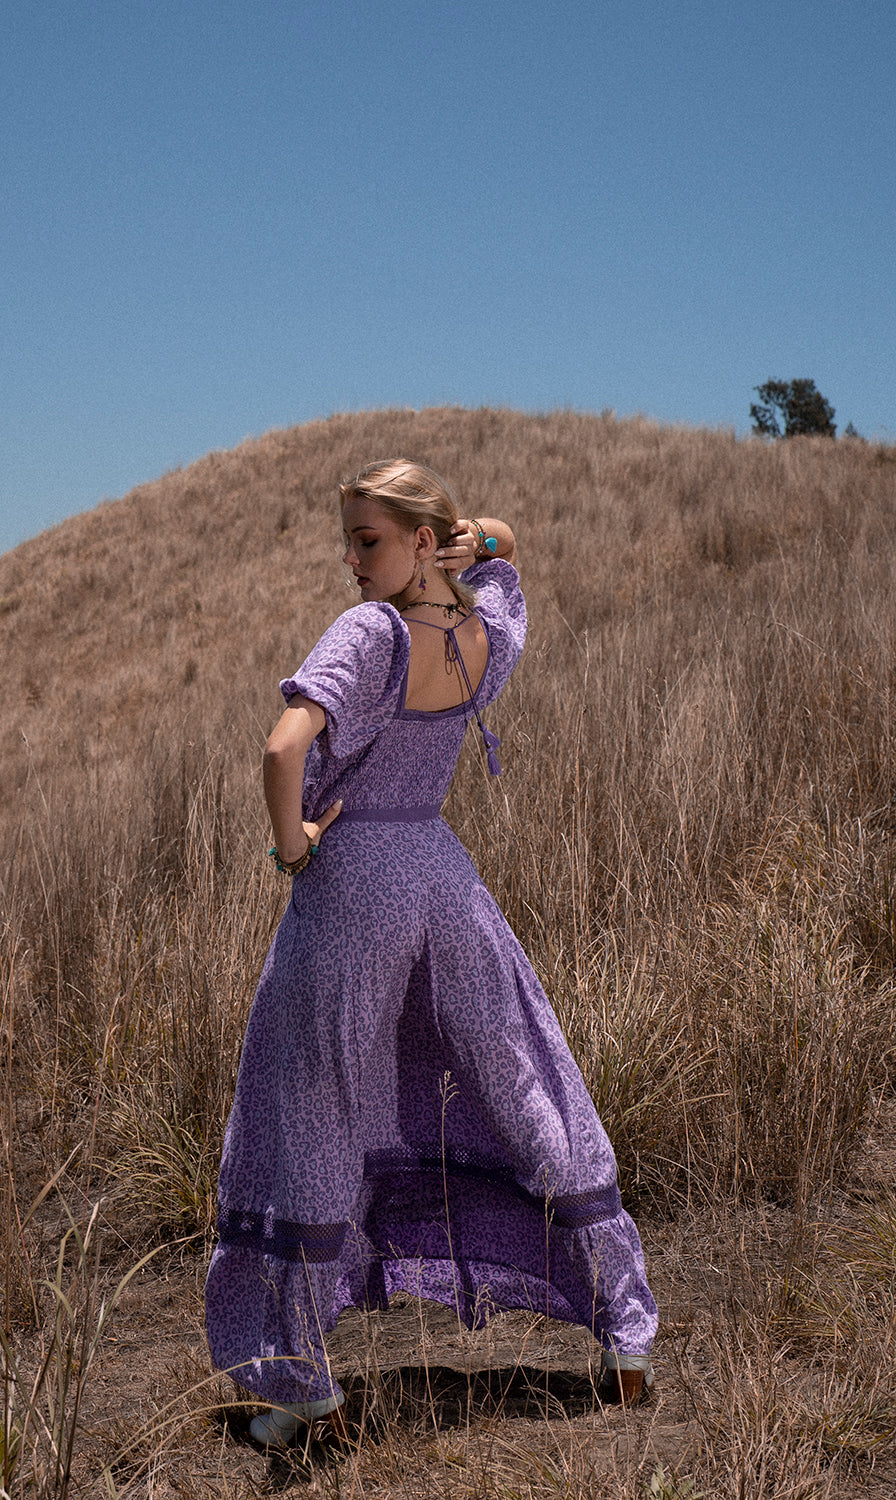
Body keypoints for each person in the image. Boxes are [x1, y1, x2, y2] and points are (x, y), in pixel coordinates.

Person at [205, 460, 657, 1447]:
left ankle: (301, 1382)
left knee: (312, 1106)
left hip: (357, 876)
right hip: (444, 874)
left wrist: (292, 849)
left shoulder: (369, 633)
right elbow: (502, 552)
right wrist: (478, 538)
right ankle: (625, 1332)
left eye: (369, 539)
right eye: (348, 542)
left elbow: (284, 749)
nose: (353, 560)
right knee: (517, 1071)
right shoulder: (480, 635)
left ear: (417, 541)